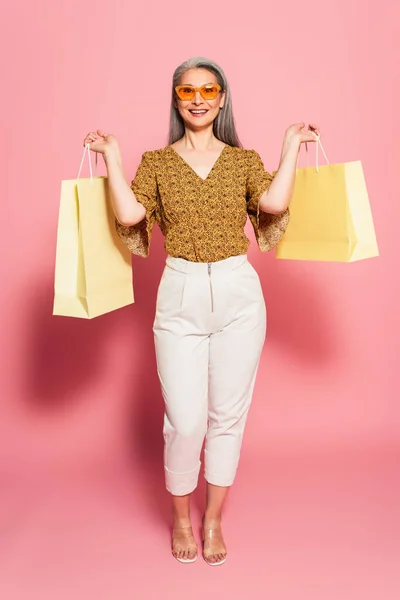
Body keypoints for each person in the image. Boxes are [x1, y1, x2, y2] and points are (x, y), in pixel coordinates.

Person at [83, 56, 320, 566]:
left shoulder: (242, 160)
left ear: (221, 99)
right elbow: (129, 214)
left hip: (238, 291)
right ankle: (181, 517)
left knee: (227, 417)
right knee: (185, 421)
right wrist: (113, 157)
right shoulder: (158, 162)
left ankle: (211, 520)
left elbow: (273, 205)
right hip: (181, 291)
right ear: (176, 99)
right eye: (187, 91)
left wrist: (289, 147)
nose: (197, 99)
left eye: (207, 90)